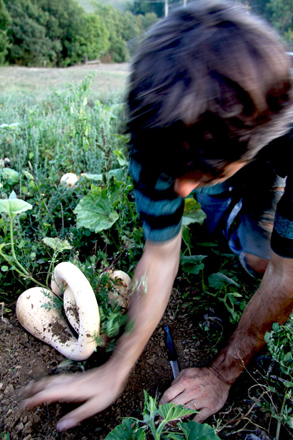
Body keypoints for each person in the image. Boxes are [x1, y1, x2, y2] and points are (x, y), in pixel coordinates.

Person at [22, 0, 293, 431]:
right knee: (243, 245)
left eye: (200, 172)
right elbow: (161, 254)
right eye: (176, 171)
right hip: (232, 152)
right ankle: (233, 213)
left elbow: (285, 277)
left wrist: (223, 373)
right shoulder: (159, 129)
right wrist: (117, 369)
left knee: (272, 265)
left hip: (272, 147)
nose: (182, 190)